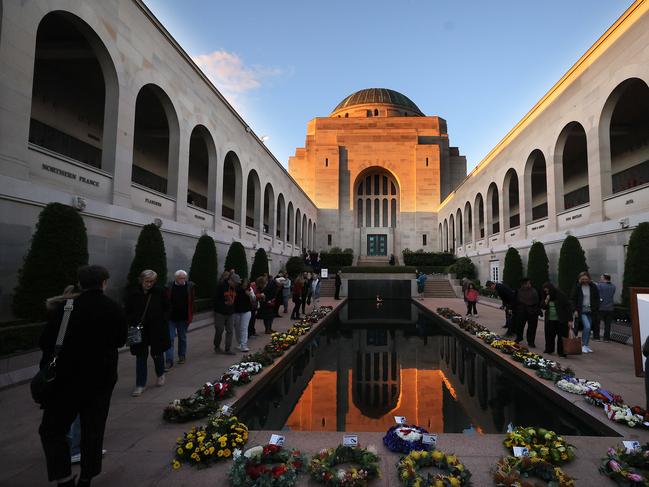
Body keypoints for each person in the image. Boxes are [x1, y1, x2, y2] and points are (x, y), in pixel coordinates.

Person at [38, 265, 126, 487]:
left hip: (65, 381)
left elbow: (45, 342)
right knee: (93, 430)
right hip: (100, 380)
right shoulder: (113, 307)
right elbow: (120, 341)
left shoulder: (66, 308)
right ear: (104, 283)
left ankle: (64, 478)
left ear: (80, 283)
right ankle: (86, 478)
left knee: (52, 430)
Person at [126, 270, 170, 396]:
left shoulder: (160, 292)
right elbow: (127, 310)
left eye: (151, 282)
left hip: (156, 329)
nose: (149, 284)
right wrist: (131, 321)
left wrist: (163, 319)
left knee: (157, 354)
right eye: (147, 281)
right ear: (141, 280)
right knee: (141, 357)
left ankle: (160, 373)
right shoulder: (133, 293)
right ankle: (140, 385)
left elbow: (167, 307)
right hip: (139, 329)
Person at [164, 270, 195, 370]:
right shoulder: (169, 287)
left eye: (184, 278)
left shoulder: (189, 287)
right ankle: (169, 360)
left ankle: (182, 356)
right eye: (180, 278)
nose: (182, 280)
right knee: (170, 338)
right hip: (171, 318)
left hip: (183, 318)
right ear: (176, 278)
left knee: (182, 338)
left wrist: (191, 314)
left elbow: (192, 301)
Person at [570, 271, 600, 353]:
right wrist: (575, 310)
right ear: (579, 279)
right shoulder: (577, 287)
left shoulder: (593, 287)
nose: (584, 280)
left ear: (589, 279)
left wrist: (597, 307)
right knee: (586, 326)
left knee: (589, 327)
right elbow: (573, 299)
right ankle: (583, 345)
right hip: (581, 310)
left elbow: (597, 298)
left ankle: (586, 345)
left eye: (586, 279)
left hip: (591, 311)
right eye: (582, 279)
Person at [541, 282, 573, 357]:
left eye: (547, 291)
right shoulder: (546, 296)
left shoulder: (561, 295)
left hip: (561, 320)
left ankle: (561, 352)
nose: (546, 292)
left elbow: (568, 307)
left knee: (562, 336)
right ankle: (549, 349)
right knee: (549, 335)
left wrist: (570, 320)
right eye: (545, 291)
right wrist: (546, 300)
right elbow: (543, 307)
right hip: (550, 319)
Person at [213, 271, 236, 355]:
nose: (236, 285)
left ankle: (227, 349)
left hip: (230, 312)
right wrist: (220, 308)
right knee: (219, 330)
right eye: (235, 283)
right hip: (220, 312)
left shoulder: (234, 287)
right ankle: (217, 346)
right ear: (230, 280)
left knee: (230, 330)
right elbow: (215, 299)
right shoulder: (221, 286)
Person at [515, 278, 540, 347]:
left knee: (532, 327)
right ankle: (519, 337)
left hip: (532, 312)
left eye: (530, 283)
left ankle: (531, 341)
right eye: (528, 283)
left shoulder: (534, 291)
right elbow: (517, 300)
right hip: (522, 311)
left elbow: (537, 301)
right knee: (519, 326)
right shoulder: (519, 291)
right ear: (524, 284)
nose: (530, 284)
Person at [233, 277, 253, 352]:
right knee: (237, 328)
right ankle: (240, 343)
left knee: (244, 328)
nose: (245, 285)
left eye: (247, 283)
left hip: (246, 311)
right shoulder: (237, 289)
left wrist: (250, 295)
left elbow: (253, 299)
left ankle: (244, 345)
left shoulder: (249, 290)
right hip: (236, 311)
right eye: (244, 283)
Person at [597, 273, 616, 342]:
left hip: (601, 307)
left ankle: (597, 337)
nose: (600, 278)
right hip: (610, 308)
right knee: (608, 324)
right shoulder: (613, 286)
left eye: (601, 277)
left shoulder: (599, 286)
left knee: (597, 323)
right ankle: (606, 338)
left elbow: (597, 295)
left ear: (604, 278)